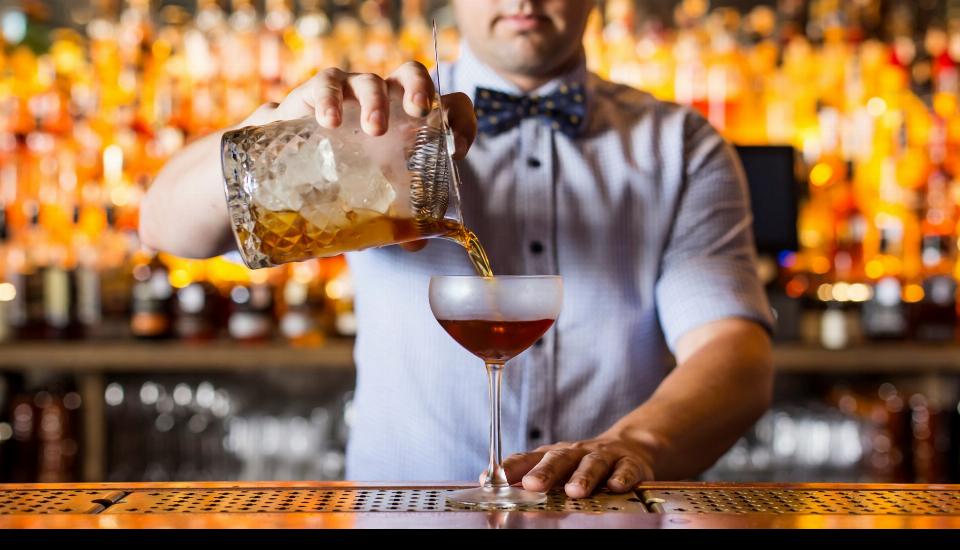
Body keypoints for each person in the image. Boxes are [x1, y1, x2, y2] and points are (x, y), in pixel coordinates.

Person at [140, 0, 774, 498]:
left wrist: (636, 443)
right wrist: (279, 133)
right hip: (405, 519)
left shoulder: (680, 146)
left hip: (607, 517)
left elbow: (734, 352)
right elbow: (167, 225)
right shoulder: (381, 129)